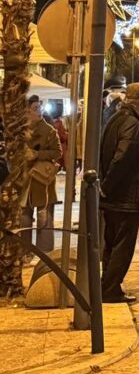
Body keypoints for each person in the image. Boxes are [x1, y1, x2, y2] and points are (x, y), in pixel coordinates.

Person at [100, 83, 139, 304]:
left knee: (112, 243)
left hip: (116, 195)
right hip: (125, 195)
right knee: (122, 244)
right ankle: (111, 289)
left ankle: (108, 285)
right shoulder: (131, 124)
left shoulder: (117, 118)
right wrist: (108, 186)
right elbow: (122, 158)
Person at [20, 96, 60, 262]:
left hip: (42, 180)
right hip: (24, 180)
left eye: (39, 107)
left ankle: (45, 254)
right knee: (24, 217)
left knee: (45, 217)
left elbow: (57, 153)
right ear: (27, 111)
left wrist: (38, 154)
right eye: (34, 108)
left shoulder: (49, 130)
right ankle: (25, 252)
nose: (39, 111)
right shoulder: (20, 130)